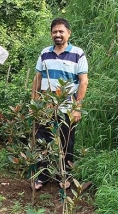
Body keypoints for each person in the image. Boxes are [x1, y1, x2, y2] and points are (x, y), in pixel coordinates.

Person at [31, 18, 88, 191]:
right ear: (51, 34)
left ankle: (65, 176)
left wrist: (77, 108)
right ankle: (42, 176)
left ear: (68, 33)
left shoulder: (78, 54)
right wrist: (34, 103)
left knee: (67, 142)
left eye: (61, 31)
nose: (58, 34)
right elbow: (38, 78)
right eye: (55, 31)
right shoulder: (44, 53)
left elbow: (83, 82)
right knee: (43, 141)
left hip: (67, 108)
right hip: (46, 107)